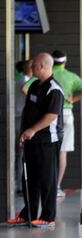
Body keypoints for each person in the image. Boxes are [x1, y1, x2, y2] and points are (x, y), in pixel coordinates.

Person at [7, 53, 64, 228]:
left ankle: (47, 217)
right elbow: (27, 110)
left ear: (42, 66)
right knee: (30, 178)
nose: (31, 68)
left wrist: (33, 129)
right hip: (31, 139)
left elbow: (51, 116)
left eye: (33, 66)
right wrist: (23, 132)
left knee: (47, 179)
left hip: (47, 140)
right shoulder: (33, 86)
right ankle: (28, 214)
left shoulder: (54, 89)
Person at [46, 50, 82, 198]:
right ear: (65, 62)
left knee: (48, 150)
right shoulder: (71, 76)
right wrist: (73, 99)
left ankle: (47, 185)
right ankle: (57, 187)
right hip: (66, 114)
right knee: (62, 151)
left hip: (48, 115)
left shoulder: (46, 75)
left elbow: (25, 88)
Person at [14, 60, 32, 188]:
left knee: (18, 153)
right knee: (21, 153)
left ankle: (18, 183)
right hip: (21, 118)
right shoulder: (26, 81)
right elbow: (24, 90)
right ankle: (21, 185)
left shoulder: (19, 79)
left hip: (17, 117)